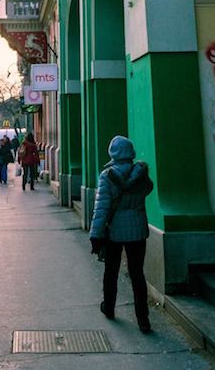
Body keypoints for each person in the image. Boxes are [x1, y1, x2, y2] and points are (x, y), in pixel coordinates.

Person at [89, 135, 153, 333]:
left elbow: (101, 209)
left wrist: (95, 236)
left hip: (114, 231)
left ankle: (109, 307)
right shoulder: (141, 173)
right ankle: (143, 319)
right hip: (138, 231)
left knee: (111, 271)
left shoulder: (107, 176)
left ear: (112, 153)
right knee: (137, 274)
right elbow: (147, 190)